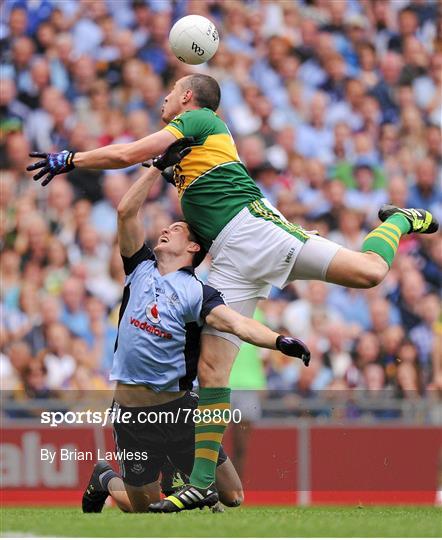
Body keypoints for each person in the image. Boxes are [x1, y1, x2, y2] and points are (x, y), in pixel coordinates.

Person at [28, 73, 439, 512]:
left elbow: (131, 153)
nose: (164, 100)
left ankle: (402, 219)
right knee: (212, 368)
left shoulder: (200, 119)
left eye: (170, 93)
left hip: (255, 233)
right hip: (227, 262)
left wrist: (70, 159)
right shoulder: (185, 154)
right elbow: (148, 183)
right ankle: (202, 482)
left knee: (371, 272)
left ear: (187, 97)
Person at [79, 139, 310, 513]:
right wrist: (155, 168)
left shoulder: (198, 293)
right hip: (132, 413)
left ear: (193, 250)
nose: (167, 230)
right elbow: (125, 211)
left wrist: (279, 341)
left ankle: (180, 483)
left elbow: (237, 324)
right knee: (142, 507)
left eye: (177, 229)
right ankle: (104, 477)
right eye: (168, 226)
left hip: (180, 412)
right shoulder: (138, 267)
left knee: (233, 496)